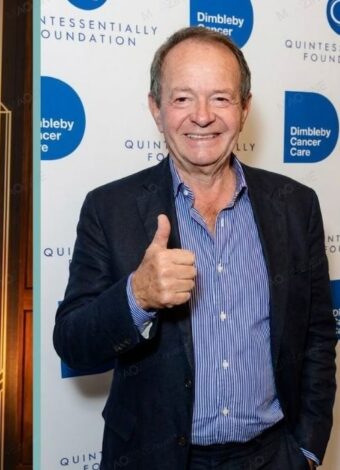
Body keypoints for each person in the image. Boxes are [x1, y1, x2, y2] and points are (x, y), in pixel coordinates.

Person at [53, 27, 336, 470]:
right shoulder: (110, 208)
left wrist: (308, 451)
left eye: (220, 98)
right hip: (154, 459)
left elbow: (318, 337)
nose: (201, 116)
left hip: (272, 457)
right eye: (182, 98)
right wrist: (137, 297)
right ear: (156, 109)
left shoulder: (296, 205)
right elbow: (72, 343)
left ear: (244, 109)